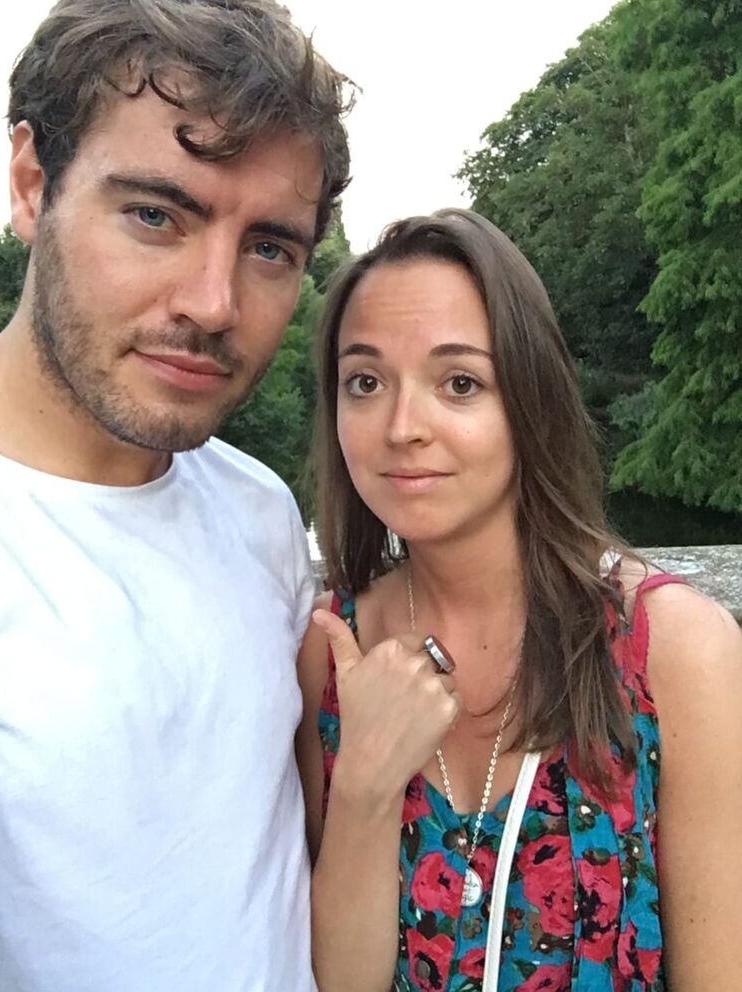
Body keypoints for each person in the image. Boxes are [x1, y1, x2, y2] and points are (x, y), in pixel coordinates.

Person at [0, 0, 351, 990]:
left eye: (270, 247)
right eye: (155, 215)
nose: (215, 302)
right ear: (29, 182)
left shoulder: (259, 510)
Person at [296, 209, 742, 992]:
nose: (403, 427)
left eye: (459, 383)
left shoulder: (672, 651)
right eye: (365, 382)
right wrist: (365, 786)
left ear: (529, 401)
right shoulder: (330, 653)